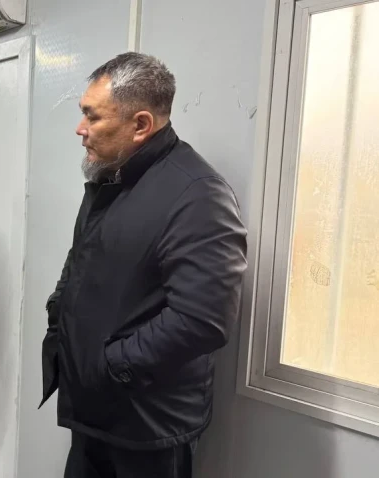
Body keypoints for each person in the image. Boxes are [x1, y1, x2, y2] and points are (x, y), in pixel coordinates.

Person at [40, 52, 248, 478]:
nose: (80, 129)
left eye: (92, 116)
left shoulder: (197, 194)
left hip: (146, 426)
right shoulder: (110, 177)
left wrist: (110, 365)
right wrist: (59, 317)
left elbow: (202, 319)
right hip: (94, 410)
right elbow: (80, 261)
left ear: (140, 125)